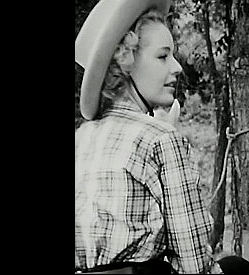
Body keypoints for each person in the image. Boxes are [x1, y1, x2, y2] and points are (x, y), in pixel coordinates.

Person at [75, 0, 214, 273]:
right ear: (124, 60)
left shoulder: (81, 138)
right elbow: (194, 262)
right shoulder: (160, 138)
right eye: (163, 56)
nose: (177, 68)